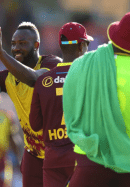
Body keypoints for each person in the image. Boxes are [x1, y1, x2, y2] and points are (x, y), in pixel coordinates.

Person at [62, 11, 130, 187]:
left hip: (88, 166)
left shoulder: (81, 66)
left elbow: (68, 110)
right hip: (129, 169)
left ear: (115, 34)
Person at [0, 20, 62, 186]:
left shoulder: (52, 64)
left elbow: (33, 79)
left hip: (59, 150)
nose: (16, 47)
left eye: (23, 43)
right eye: (13, 43)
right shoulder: (8, 77)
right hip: (33, 152)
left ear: (37, 45)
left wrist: (0, 53)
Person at [29, 22, 93, 186]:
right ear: (80, 47)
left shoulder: (43, 81)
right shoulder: (91, 77)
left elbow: (35, 125)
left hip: (53, 160)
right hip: (83, 157)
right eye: (87, 44)